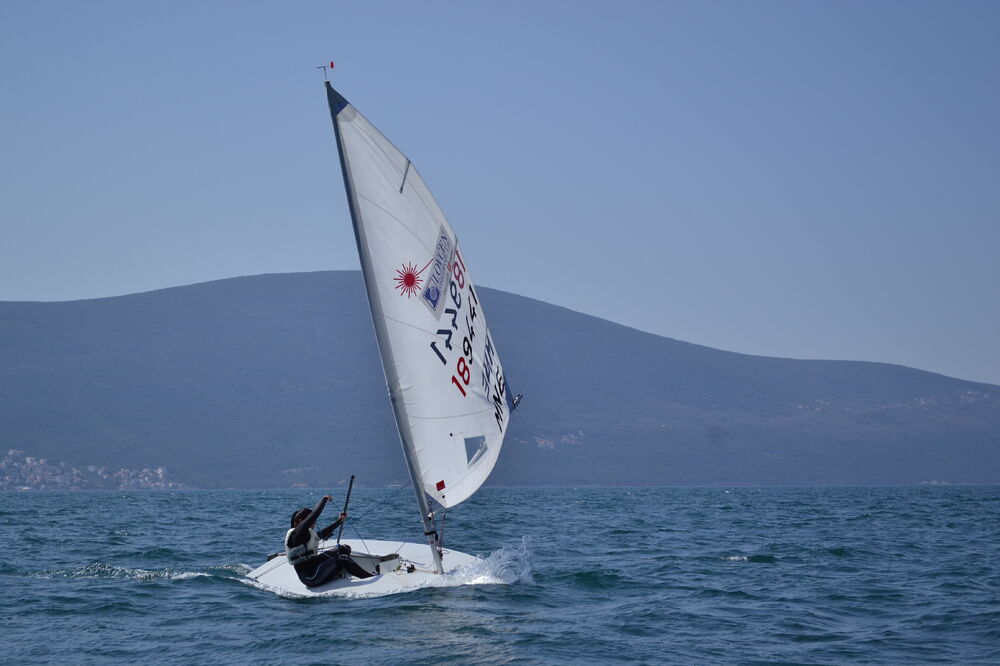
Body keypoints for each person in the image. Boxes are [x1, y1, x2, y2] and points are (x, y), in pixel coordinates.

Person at [285, 494, 373, 586]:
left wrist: (339, 521)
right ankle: (369, 578)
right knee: (342, 559)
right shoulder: (297, 533)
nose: (314, 523)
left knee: (344, 549)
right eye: (311, 520)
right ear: (300, 521)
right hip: (310, 577)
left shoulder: (307, 533)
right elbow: (315, 514)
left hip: (314, 563)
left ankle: (336, 570)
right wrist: (324, 499)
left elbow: (321, 534)